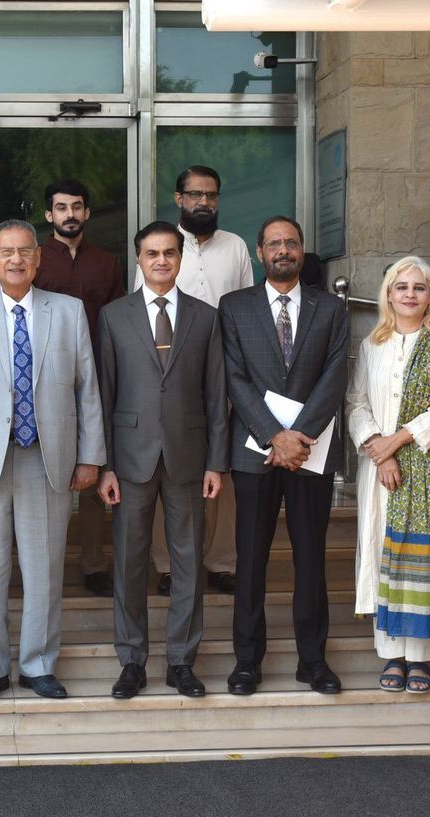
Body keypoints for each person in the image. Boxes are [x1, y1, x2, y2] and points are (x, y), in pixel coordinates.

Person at [0, 219, 105, 702]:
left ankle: (38, 665)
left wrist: (90, 456)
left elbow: (86, 389)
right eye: (6, 252)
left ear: (38, 258)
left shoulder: (68, 311)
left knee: (44, 570)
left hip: (47, 459)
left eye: (24, 251)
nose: (16, 260)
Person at [96, 221, 229, 699]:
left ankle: (181, 662)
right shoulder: (113, 316)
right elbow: (103, 393)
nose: (161, 261)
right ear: (139, 259)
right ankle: (132, 661)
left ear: (180, 258)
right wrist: (104, 465)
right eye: (151, 253)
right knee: (129, 563)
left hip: (189, 456)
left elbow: (216, 394)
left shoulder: (205, 317)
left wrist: (216, 462)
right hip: (129, 458)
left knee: (188, 561)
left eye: (169, 252)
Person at [219, 215, 349, 696]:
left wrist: (300, 437)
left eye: (291, 243)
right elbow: (234, 377)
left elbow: (335, 376)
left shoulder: (330, 308)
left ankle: (313, 661)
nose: (283, 250)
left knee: (310, 559)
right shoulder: (234, 307)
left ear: (302, 248)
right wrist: (275, 436)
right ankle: (247, 661)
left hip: (311, 453)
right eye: (273, 243)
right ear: (259, 253)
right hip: (255, 453)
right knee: (250, 560)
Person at [345, 256, 430, 694]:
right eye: (402, 287)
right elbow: (356, 402)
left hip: (428, 467)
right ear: (389, 295)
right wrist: (379, 451)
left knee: (424, 560)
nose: (410, 294)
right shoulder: (372, 344)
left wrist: (396, 441)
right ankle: (392, 655)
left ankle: (422, 657)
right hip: (381, 470)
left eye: (419, 287)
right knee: (384, 552)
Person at [144, 165, 253, 596]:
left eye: (211, 195)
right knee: (166, 465)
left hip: (226, 372)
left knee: (222, 466)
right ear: (179, 199)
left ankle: (221, 561)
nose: (204, 202)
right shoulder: (162, 246)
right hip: (173, 377)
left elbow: (247, 309)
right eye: (195, 195)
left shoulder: (236, 246)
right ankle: (167, 564)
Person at [33, 179, 126, 598]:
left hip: (95, 379)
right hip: (42, 381)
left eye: (76, 207)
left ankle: (93, 564)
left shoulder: (106, 263)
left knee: (91, 472)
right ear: (48, 215)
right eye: (61, 207)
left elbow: (118, 320)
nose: (69, 214)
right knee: (41, 472)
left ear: (87, 213)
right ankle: (41, 566)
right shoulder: (35, 261)